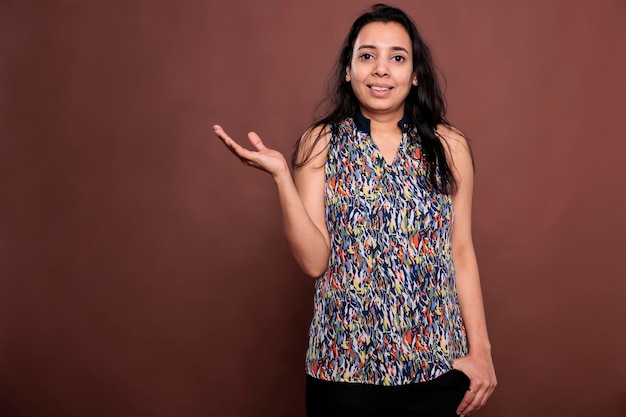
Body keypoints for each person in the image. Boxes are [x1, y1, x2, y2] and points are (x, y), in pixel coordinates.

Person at [214, 4, 496, 416]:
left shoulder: (448, 146)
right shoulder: (320, 143)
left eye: (397, 58)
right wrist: (281, 178)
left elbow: (461, 252)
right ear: (349, 70)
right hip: (342, 371)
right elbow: (313, 262)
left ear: (415, 74)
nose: (381, 69)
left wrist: (482, 351)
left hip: (436, 370)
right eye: (367, 56)